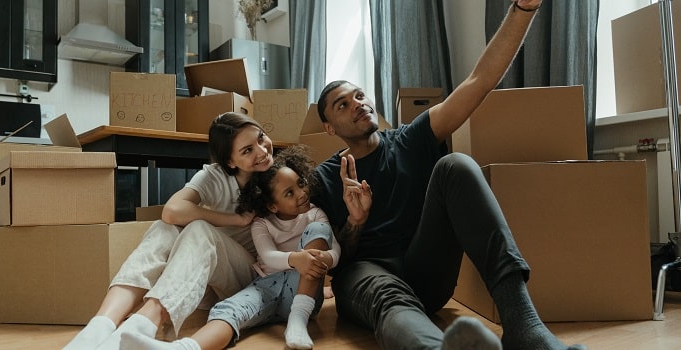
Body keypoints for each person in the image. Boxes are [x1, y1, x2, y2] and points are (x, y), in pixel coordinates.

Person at [310, 1, 587, 350]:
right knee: (386, 296)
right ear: (328, 127)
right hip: (367, 278)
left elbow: (479, 81)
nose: (358, 104)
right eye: (342, 104)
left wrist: (523, 9)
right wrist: (355, 222)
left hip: (425, 275)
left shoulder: (410, 140)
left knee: (455, 165)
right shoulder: (323, 178)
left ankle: (524, 326)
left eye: (359, 95)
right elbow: (336, 260)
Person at [62, 112, 275, 350]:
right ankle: (100, 326)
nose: (262, 151)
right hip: (202, 278)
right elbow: (172, 210)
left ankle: (142, 323)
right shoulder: (216, 175)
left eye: (261, 138)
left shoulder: (281, 176)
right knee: (166, 227)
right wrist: (235, 219)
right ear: (230, 162)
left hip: (250, 281)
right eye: (247, 150)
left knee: (199, 229)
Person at [120, 145, 340, 350]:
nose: (301, 193)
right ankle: (183, 348)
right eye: (289, 193)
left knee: (319, 229)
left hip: (303, 290)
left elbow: (335, 251)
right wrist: (295, 259)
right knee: (227, 310)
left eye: (301, 183)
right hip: (266, 285)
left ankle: (297, 321)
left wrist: (323, 260)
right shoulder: (262, 222)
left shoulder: (315, 214)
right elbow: (268, 256)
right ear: (273, 205)